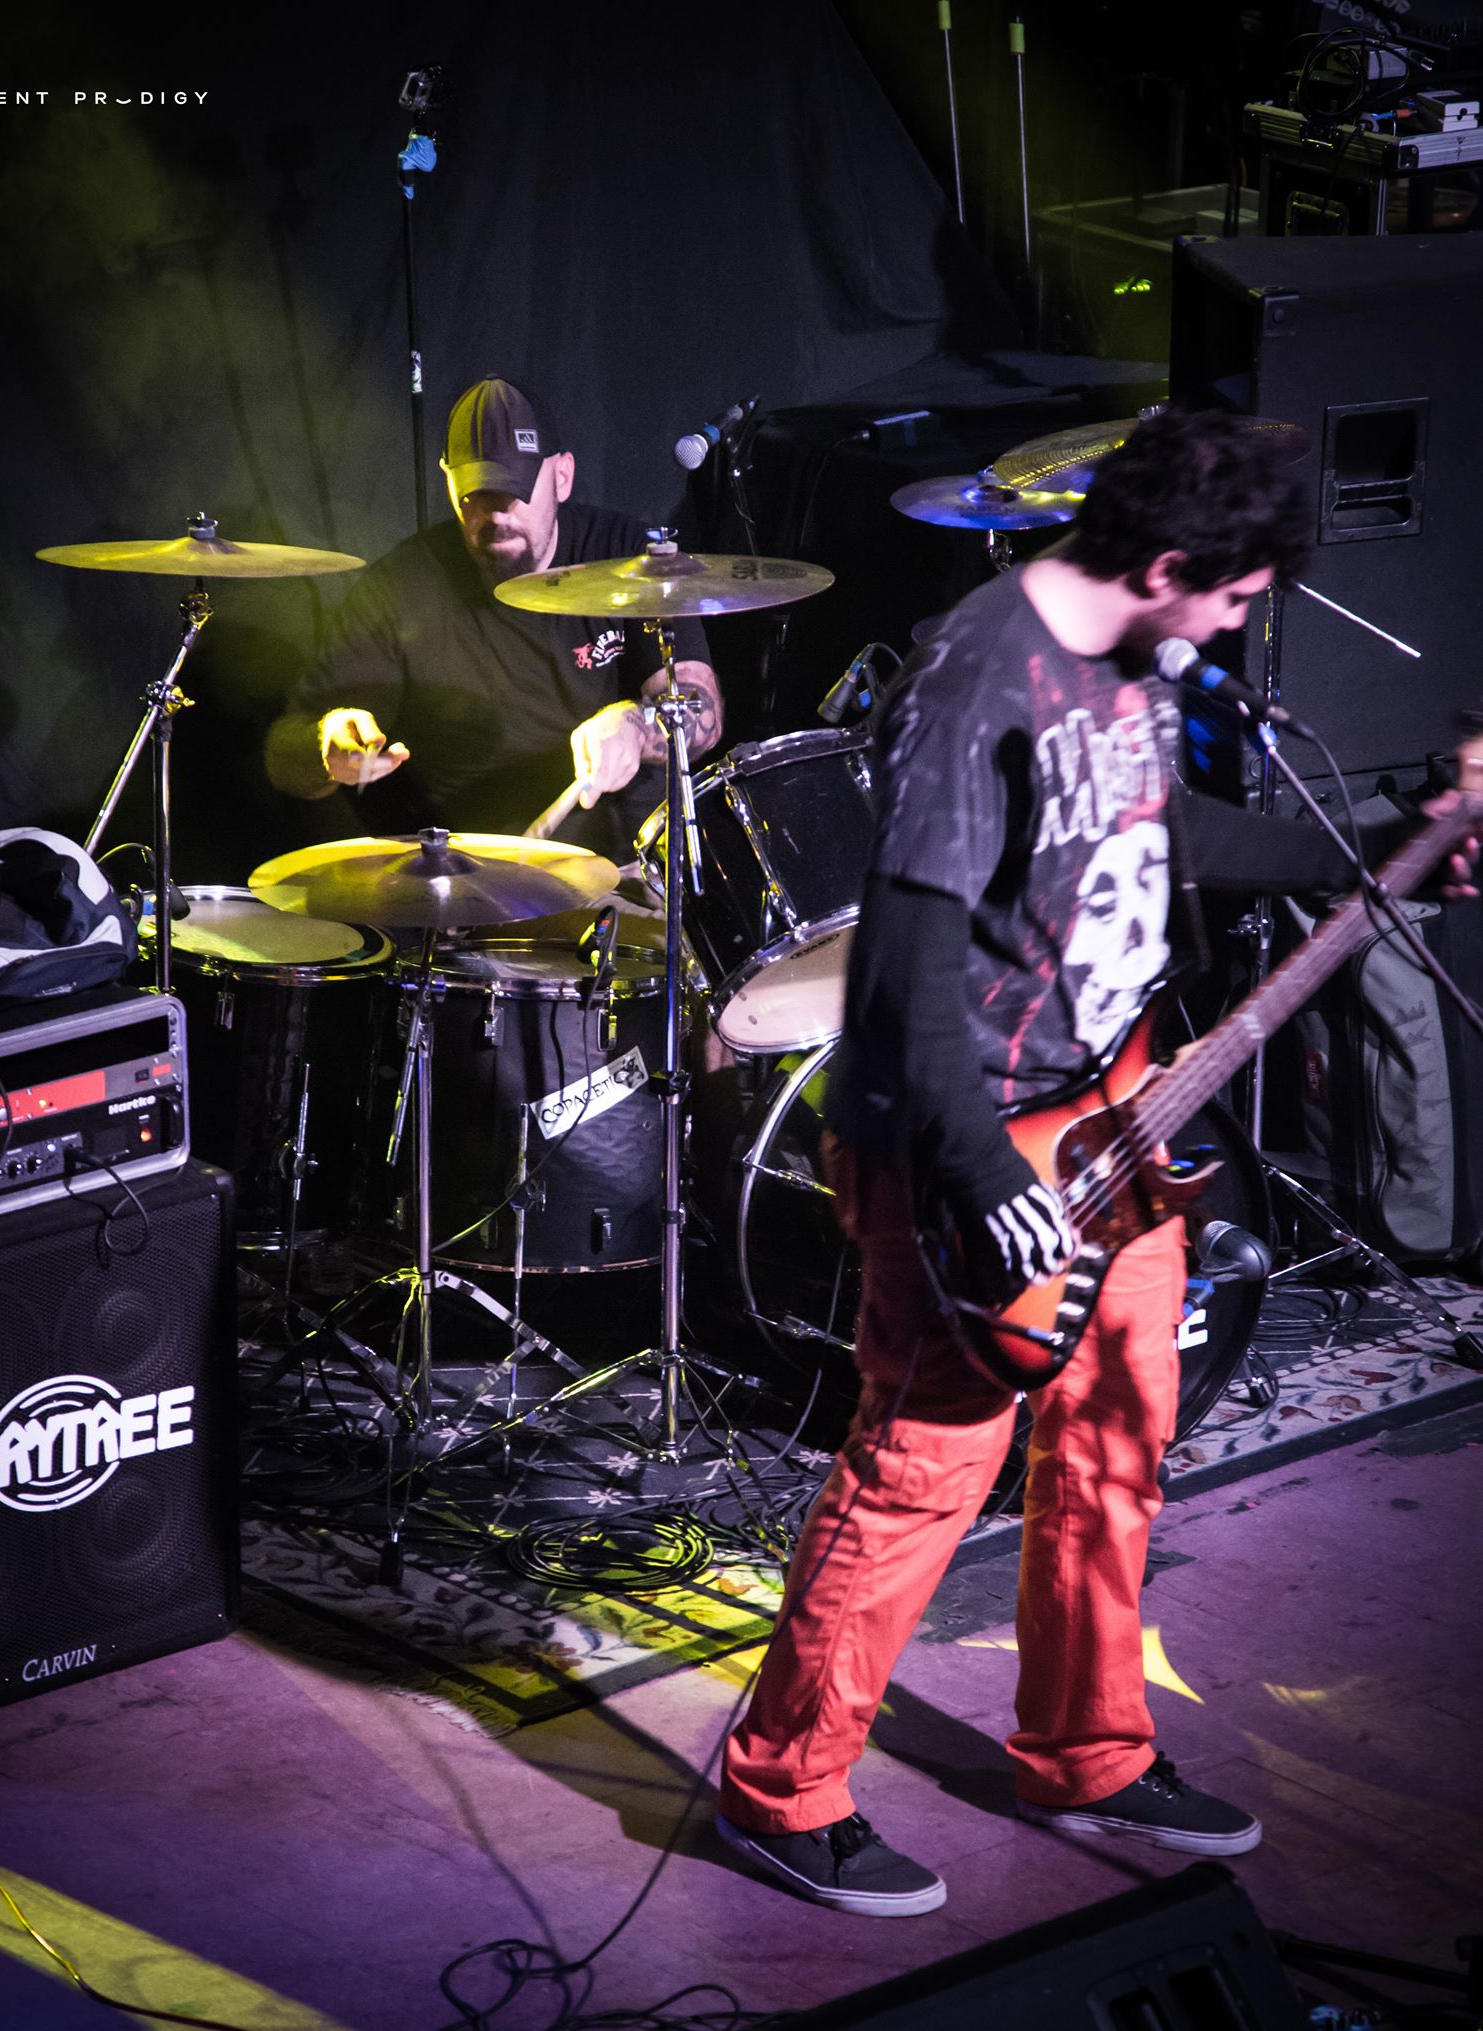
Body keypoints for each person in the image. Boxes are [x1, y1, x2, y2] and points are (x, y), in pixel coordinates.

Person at [715, 406, 1475, 1917]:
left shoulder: (1129, 661)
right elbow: (902, 964)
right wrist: (973, 1170)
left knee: (1120, 1437)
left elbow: (1165, 827)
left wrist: (1389, 837)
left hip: (1114, 1113)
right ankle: (778, 1788)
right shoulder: (974, 675)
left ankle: (1088, 1752)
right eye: (1235, 596)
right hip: (966, 1137)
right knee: (921, 1470)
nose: (1238, 625)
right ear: (1170, 563)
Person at [266, 378, 723, 868]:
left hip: (621, 867)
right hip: (465, 877)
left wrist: (637, 724)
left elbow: (705, 711)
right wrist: (328, 743)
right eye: (475, 493)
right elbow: (283, 756)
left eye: (513, 491)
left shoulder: (629, 558)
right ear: (449, 481)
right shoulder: (401, 584)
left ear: (562, 476)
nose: (495, 512)